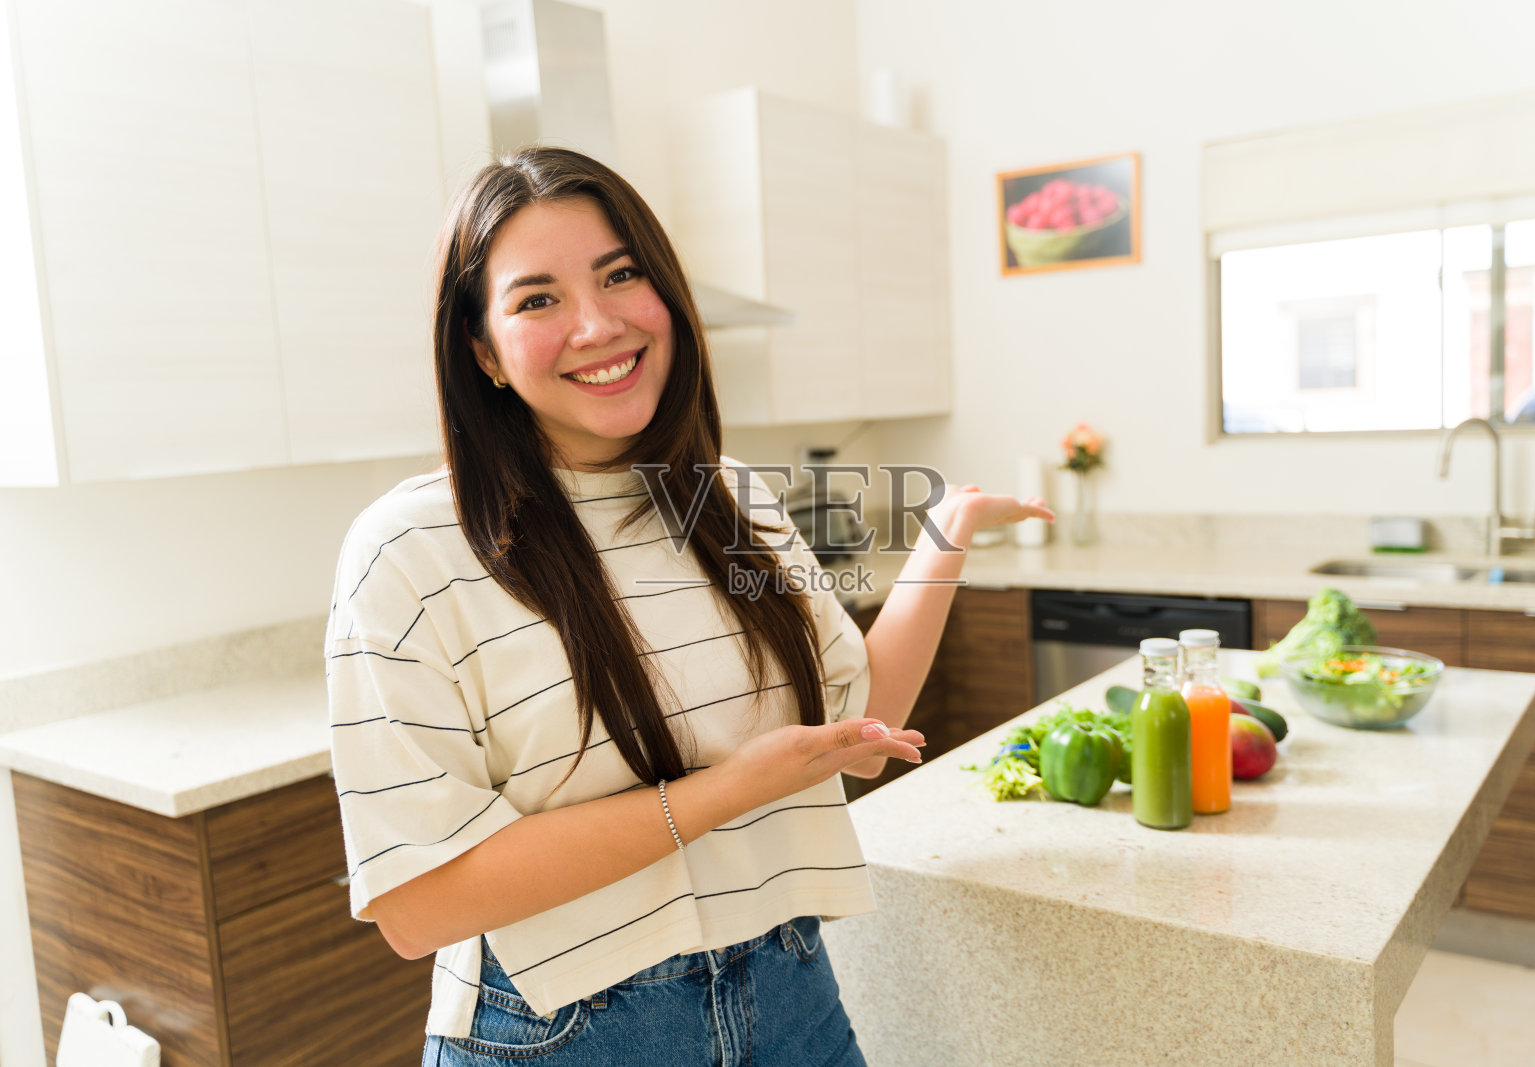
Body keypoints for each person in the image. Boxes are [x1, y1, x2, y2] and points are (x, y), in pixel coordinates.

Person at [324, 145, 1054, 1066]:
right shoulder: (410, 549)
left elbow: (864, 726)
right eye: (537, 298)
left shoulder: (727, 497)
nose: (596, 323)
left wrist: (946, 532)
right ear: (485, 352)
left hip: (791, 994)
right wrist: (728, 791)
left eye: (619, 274)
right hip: (565, 1034)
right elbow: (419, 903)